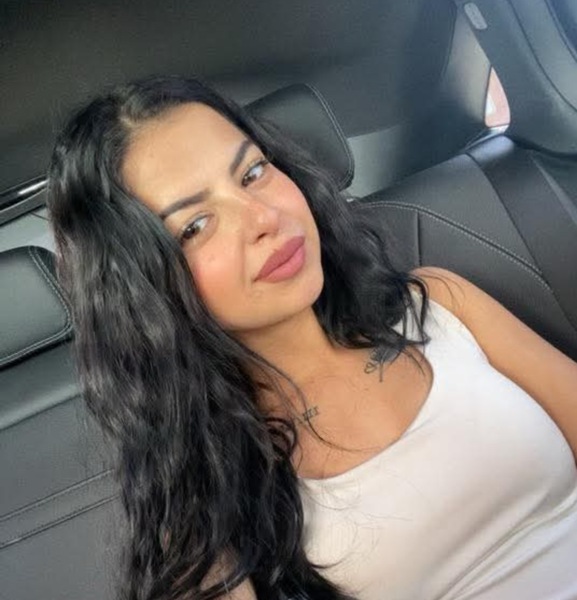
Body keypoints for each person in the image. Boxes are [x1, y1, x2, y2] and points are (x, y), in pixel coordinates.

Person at [46, 75, 577, 600]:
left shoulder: (438, 304)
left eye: (253, 172)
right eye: (195, 226)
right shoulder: (207, 500)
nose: (264, 217)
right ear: (142, 288)